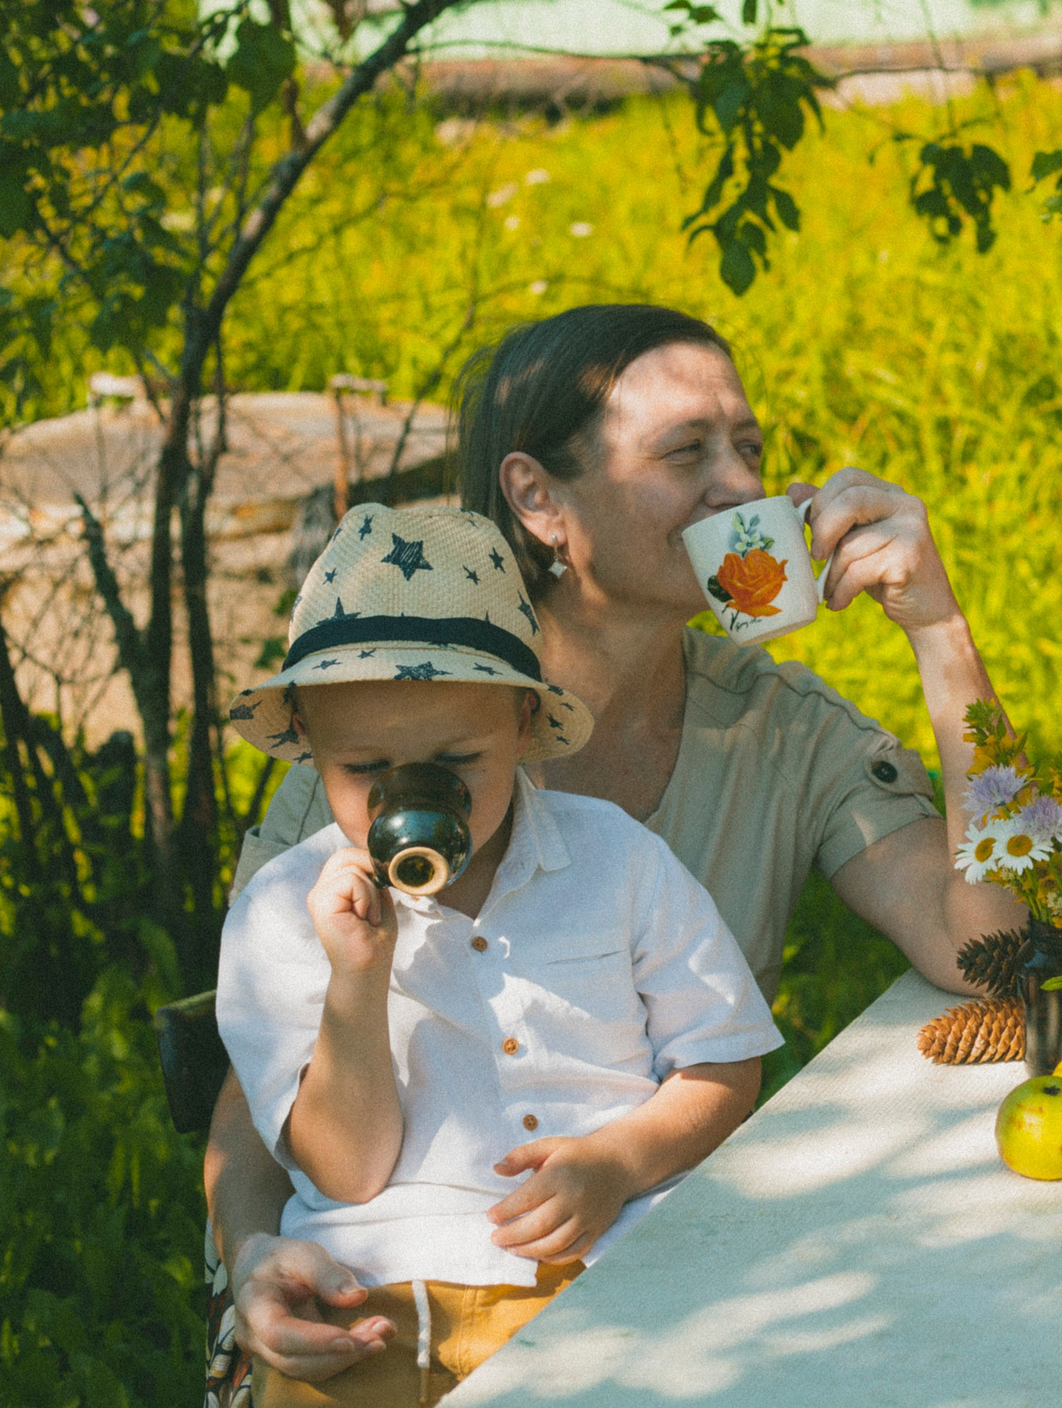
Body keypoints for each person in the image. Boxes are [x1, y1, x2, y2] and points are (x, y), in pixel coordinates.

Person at [212, 304, 1023, 1388]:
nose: (743, 489)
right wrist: (250, 1260)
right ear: (538, 499)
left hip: (645, 1280)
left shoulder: (779, 724)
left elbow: (995, 951)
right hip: (382, 1290)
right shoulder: (378, 729)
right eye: (686, 453)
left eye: (749, 449)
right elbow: (255, 1079)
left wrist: (941, 634)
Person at [220, 504, 780, 1403]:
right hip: (368, 1281)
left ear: (524, 723)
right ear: (310, 751)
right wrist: (356, 979)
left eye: (455, 760)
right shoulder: (286, 910)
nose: (414, 795)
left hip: (603, 1266)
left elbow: (724, 1058)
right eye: (366, 770)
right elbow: (348, 1170)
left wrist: (622, 1159)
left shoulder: (617, 859)